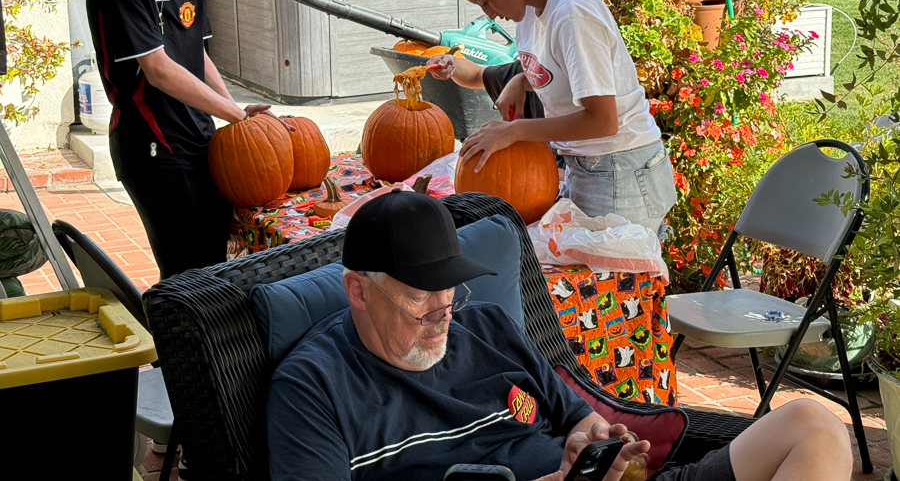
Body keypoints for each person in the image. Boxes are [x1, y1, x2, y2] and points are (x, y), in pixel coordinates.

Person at [266, 189, 853, 481]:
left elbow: (577, 418)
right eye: (420, 296)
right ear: (358, 290)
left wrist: (596, 443)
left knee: (815, 425)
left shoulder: (486, 326)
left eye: (450, 291)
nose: (444, 313)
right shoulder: (314, 387)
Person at [84, 0, 275, 279]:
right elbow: (158, 69)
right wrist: (236, 115)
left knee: (216, 259)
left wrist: (231, 109)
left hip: (197, 131)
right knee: (187, 272)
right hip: (150, 141)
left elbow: (194, 51)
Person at [430, 0, 676, 234]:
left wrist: (515, 131)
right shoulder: (531, 9)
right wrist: (521, 81)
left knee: (611, 283)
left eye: (486, 2)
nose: (490, 14)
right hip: (588, 168)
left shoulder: (573, 13)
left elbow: (603, 121)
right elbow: (566, 71)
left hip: (620, 170)